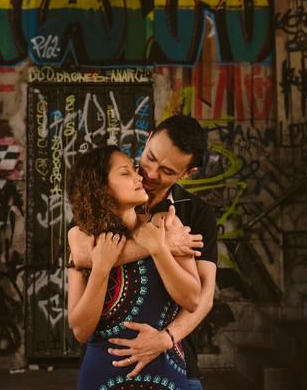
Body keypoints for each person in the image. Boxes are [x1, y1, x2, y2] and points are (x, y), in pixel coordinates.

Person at [71, 115, 218, 390]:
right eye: (150, 157)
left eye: (167, 171)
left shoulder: (194, 215)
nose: (149, 173)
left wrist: (165, 338)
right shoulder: (97, 209)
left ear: (187, 173)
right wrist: (161, 244)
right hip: (105, 364)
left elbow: (202, 298)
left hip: (174, 362)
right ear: (148, 138)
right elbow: (80, 255)